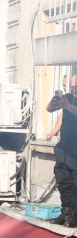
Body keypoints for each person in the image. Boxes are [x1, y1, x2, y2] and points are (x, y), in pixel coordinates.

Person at [47, 83, 77, 227]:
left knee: (75, 185)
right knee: (63, 181)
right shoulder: (69, 98)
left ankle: (74, 216)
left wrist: (67, 107)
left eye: (75, 85)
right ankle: (66, 211)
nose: (72, 88)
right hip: (65, 147)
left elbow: (71, 111)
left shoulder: (69, 103)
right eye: (71, 85)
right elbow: (53, 111)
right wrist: (53, 104)